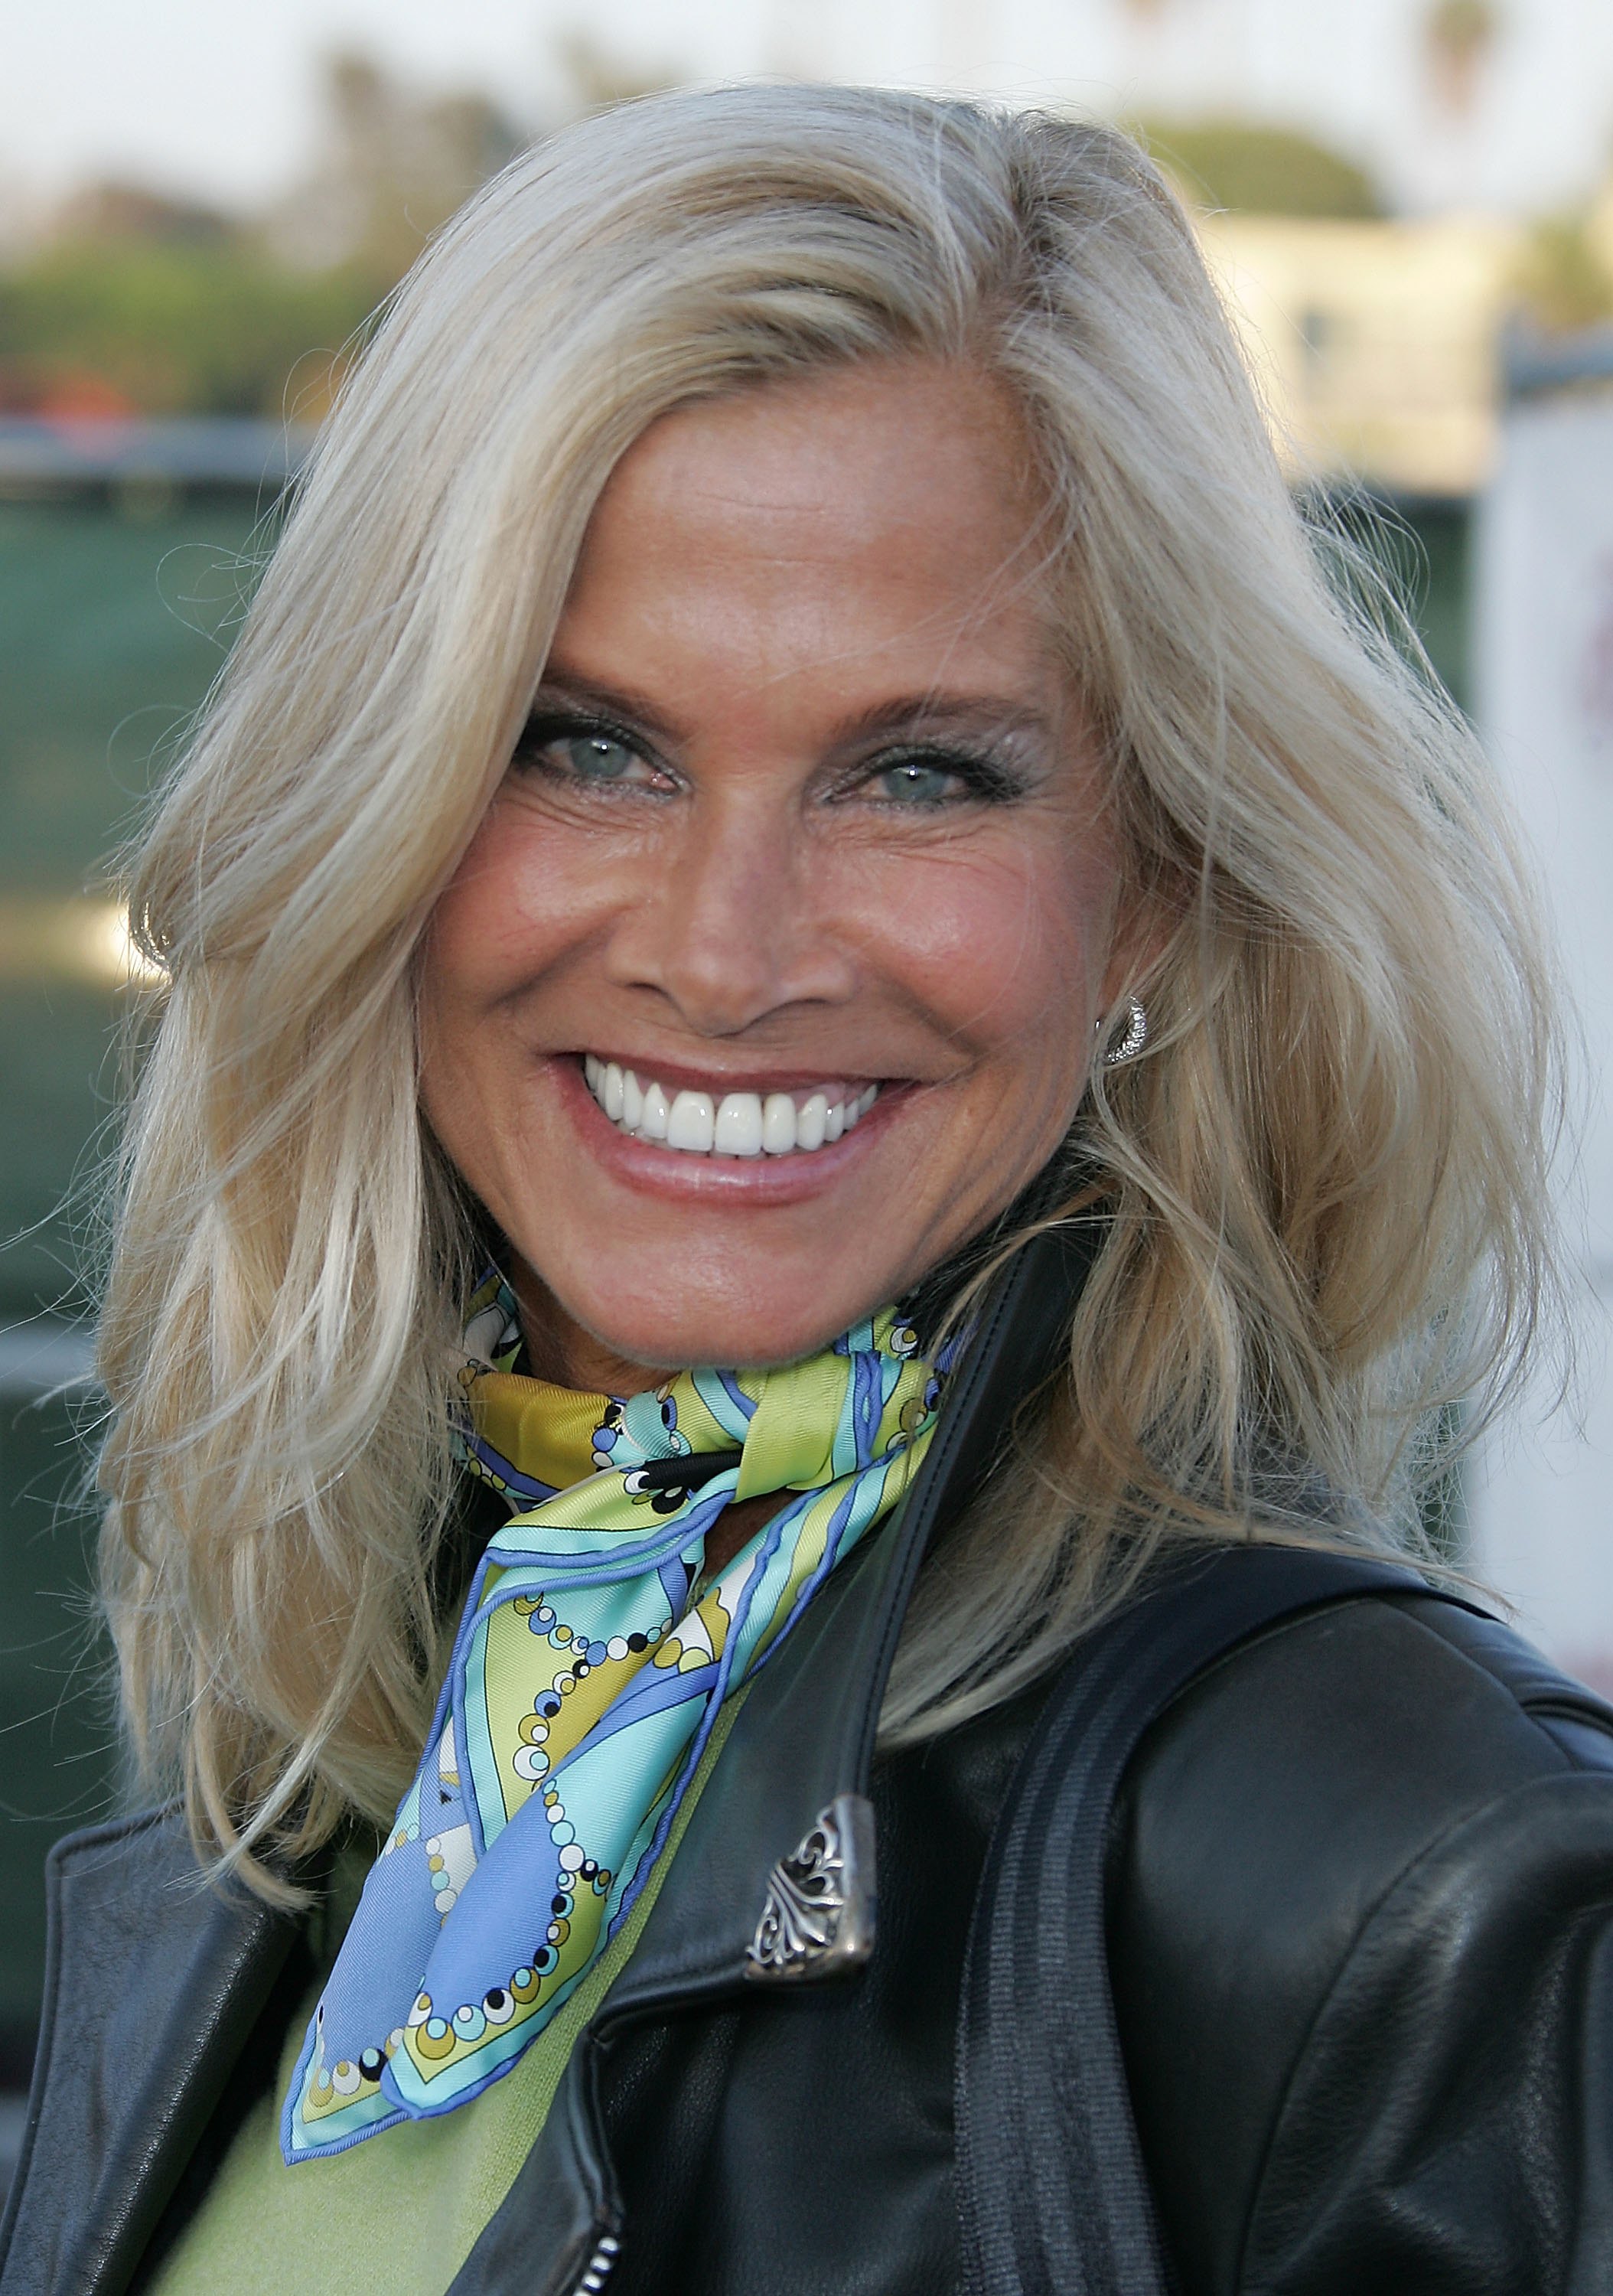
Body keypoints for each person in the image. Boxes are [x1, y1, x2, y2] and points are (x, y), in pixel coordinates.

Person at [3, 82, 1609, 2296]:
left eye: (919, 774)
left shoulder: (1402, 1864)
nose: (727, 951)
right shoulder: (363, 1712)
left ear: (1147, 893)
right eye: (585, 743)